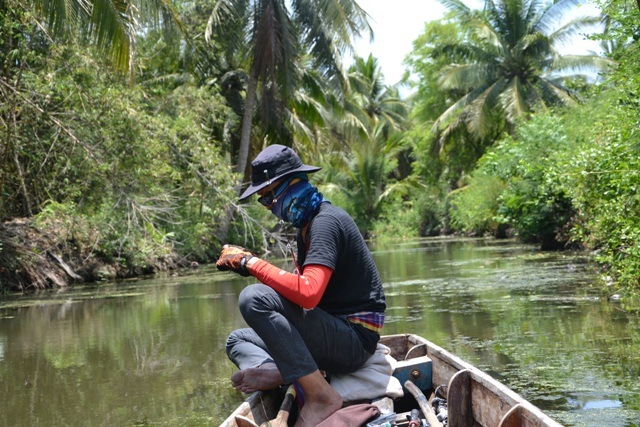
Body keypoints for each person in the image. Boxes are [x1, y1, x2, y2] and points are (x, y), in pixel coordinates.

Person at [216, 144, 386, 426]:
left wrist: (250, 263)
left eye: (270, 198)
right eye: (264, 202)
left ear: (293, 184)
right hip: (332, 332)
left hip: (354, 341)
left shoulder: (326, 223)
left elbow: (308, 293)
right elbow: (306, 296)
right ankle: (287, 371)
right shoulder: (306, 229)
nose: (271, 208)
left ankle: (321, 396)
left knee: (253, 299)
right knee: (238, 340)